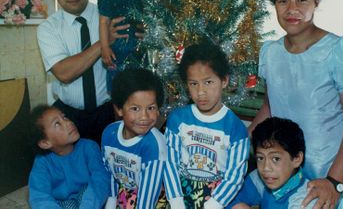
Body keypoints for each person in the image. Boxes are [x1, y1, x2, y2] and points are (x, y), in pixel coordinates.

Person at [247, 0, 343, 208]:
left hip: (333, 171)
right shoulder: (271, 52)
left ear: (316, 1)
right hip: (286, 170)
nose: (292, 9)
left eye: (302, 0)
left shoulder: (341, 52)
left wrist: (334, 182)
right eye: (283, 1)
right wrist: (241, 145)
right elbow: (270, 108)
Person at [37, 0, 131, 144]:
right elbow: (64, 72)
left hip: (109, 112)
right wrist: (105, 41)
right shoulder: (48, 28)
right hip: (68, 118)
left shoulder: (110, 16)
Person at [164, 42, 250, 209]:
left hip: (218, 199)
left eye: (208, 82)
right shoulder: (177, 119)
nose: (201, 92)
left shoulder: (235, 128)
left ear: (224, 80)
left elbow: (234, 177)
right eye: (193, 84)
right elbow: (170, 165)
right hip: (181, 195)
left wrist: (213, 205)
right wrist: (176, 202)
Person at [101, 68, 168, 209]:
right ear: (119, 109)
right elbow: (110, 174)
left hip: (155, 200)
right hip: (126, 195)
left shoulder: (154, 144)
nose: (144, 117)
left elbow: (148, 200)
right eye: (135, 109)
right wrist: (111, 203)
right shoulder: (109, 133)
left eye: (150, 108)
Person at [28, 105, 110, 209]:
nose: (68, 123)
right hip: (62, 204)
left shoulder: (89, 147)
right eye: (57, 124)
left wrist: (87, 206)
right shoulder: (42, 162)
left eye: (64, 117)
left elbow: (100, 179)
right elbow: (39, 197)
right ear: (45, 143)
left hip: (90, 201)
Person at [227, 117, 317, 209]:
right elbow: (230, 199)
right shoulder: (263, 178)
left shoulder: (305, 201)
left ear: (297, 159)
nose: (266, 168)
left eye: (276, 159)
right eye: (260, 158)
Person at [98, 0, 145, 93]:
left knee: (139, 86)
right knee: (118, 89)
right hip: (116, 51)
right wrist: (104, 47)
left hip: (138, 50)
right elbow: (103, 22)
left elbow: (150, 19)